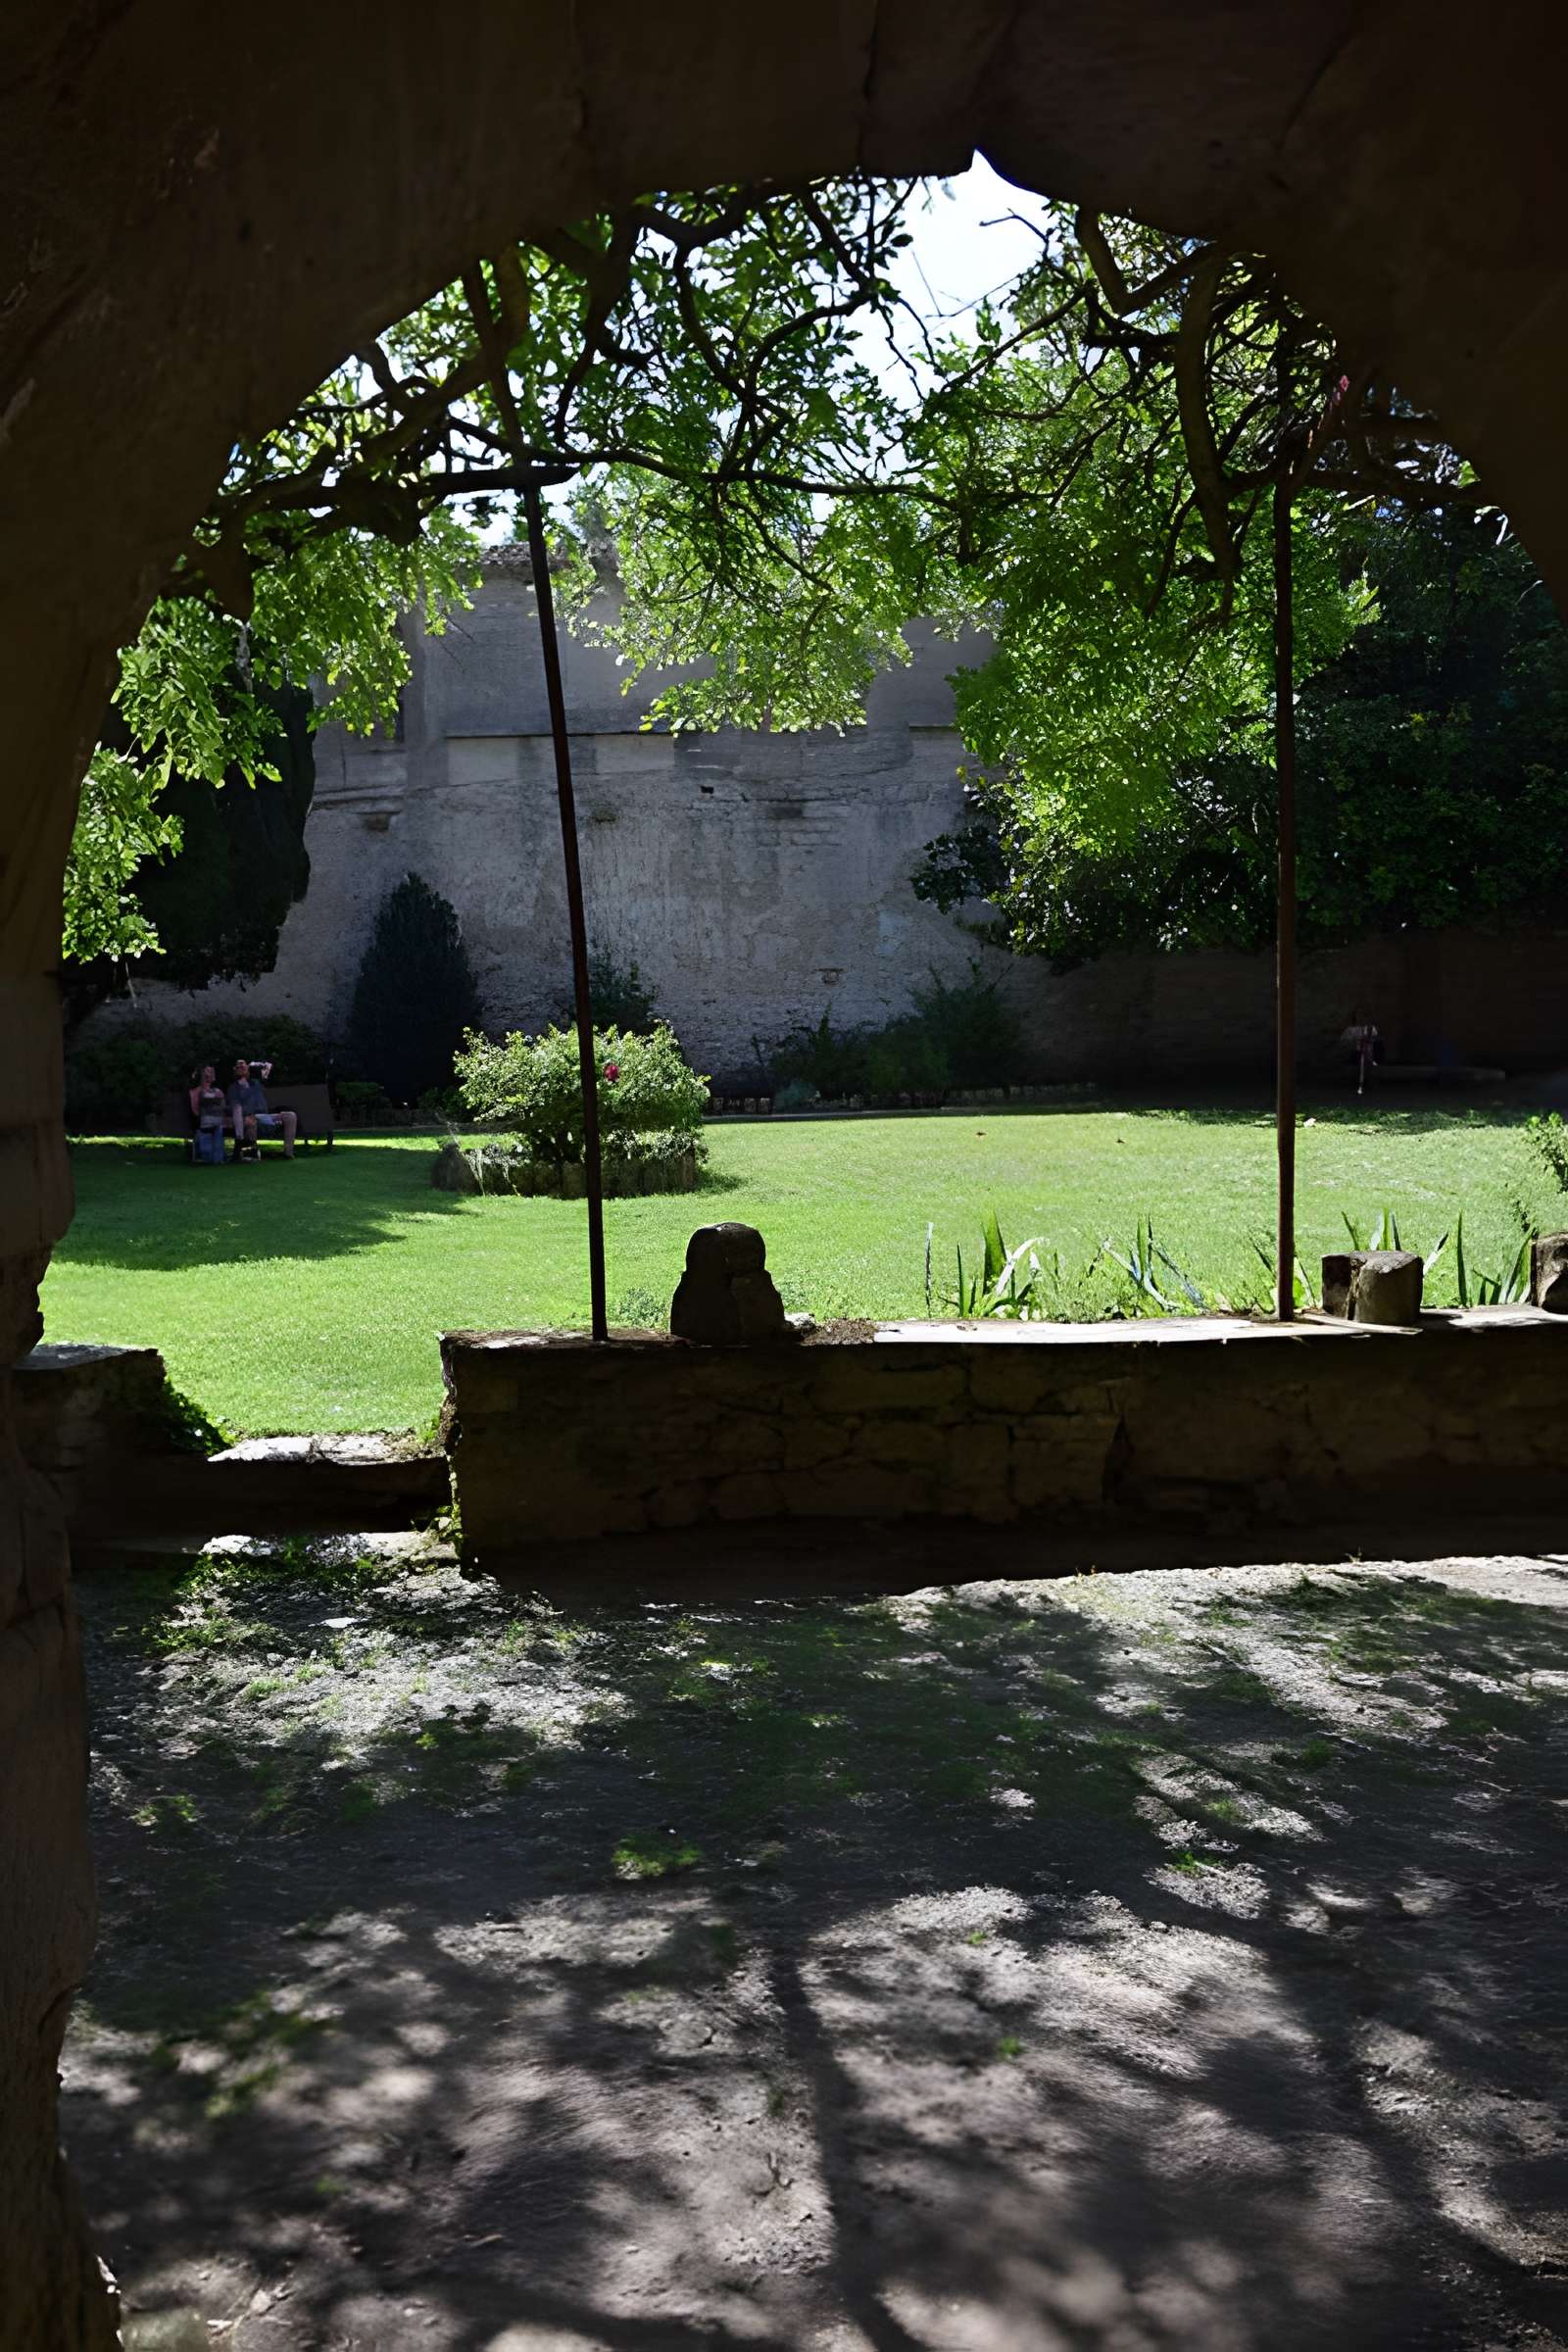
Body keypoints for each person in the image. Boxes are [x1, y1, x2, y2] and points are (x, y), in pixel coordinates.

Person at [227, 1056, 298, 1159]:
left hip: (265, 1116)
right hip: (249, 1117)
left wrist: (256, 1064)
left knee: (290, 1116)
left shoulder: (256, 1083)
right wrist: (246, 1116)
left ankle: (288, 1154)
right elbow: (235, 1107)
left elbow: (268, 1066)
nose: (241, 1066)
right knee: (252, 1120)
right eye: (239, 1066)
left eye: (243, 1065)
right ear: (235, 1071)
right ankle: (251, 1153)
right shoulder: (234, 1088)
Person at [188, 1062, 228, 1163]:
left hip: (219, 1121)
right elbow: (195, 1112)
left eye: (212, 1071)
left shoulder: (218, 1091)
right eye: (208, 1071)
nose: (211, 1074)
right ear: (201, 1074)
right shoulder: (195, 1092)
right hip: (204, 1123)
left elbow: (223, 1108)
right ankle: (216, 1156)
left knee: (220, 1126)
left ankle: (218, 1156)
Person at [1340, 1007, 1384, 1097]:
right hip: (1355, 1053)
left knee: (1368, 1057)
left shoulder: (1371, 1028)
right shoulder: (1350, 1029)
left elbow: (1376, 1039)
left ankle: (1367, 1082)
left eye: (1363, 1015)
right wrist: (1356, 1041)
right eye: (1358, 1015)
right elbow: (1344, 1042)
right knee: (1362, 1058)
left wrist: (1369, 1041)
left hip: (1368, 1052)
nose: (1361, 1017)